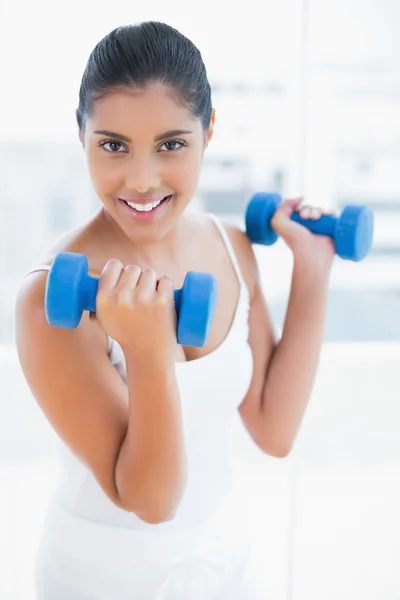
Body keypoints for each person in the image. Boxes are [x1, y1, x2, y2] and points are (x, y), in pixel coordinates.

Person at [15, 20, 335, 600]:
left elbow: (273, 428)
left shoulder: (232, 249)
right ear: (81, 136)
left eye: (171, 144)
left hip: (227, 562)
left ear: (208, 131)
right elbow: (151, 500)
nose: (142, 180)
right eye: (113, 145)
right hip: (100, 578)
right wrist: (147, 349)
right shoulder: (49, 299)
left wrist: (312, 270)